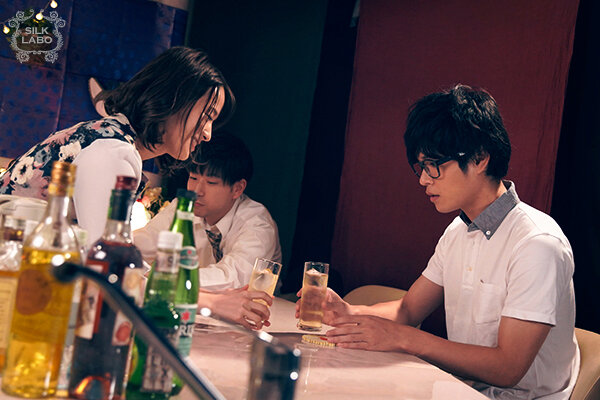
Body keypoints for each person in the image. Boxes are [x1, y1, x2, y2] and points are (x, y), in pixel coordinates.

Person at [297, 85, 579, 399]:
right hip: (461, 389)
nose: (423, 179)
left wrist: (403, 338)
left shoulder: (537, 243)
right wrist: (349, 312)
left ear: (479, 158)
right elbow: (408, 310)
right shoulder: (458, 231)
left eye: (433, 165)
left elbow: (507, 368)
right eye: (421, 167)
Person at [0, 46, 235, 245]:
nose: (208, 134)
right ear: (172, 99)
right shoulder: (113, 152)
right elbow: (103, 258)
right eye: (207, 116)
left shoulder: (110, 135)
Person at [134, 132, 282, 290]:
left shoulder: (257, 224)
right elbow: (139, 247)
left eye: (211, 182)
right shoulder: (183, 208)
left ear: (237, 189)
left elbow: (234, 278)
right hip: (196, 300)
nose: (197, 191)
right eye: (193, 178)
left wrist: (167, 277)